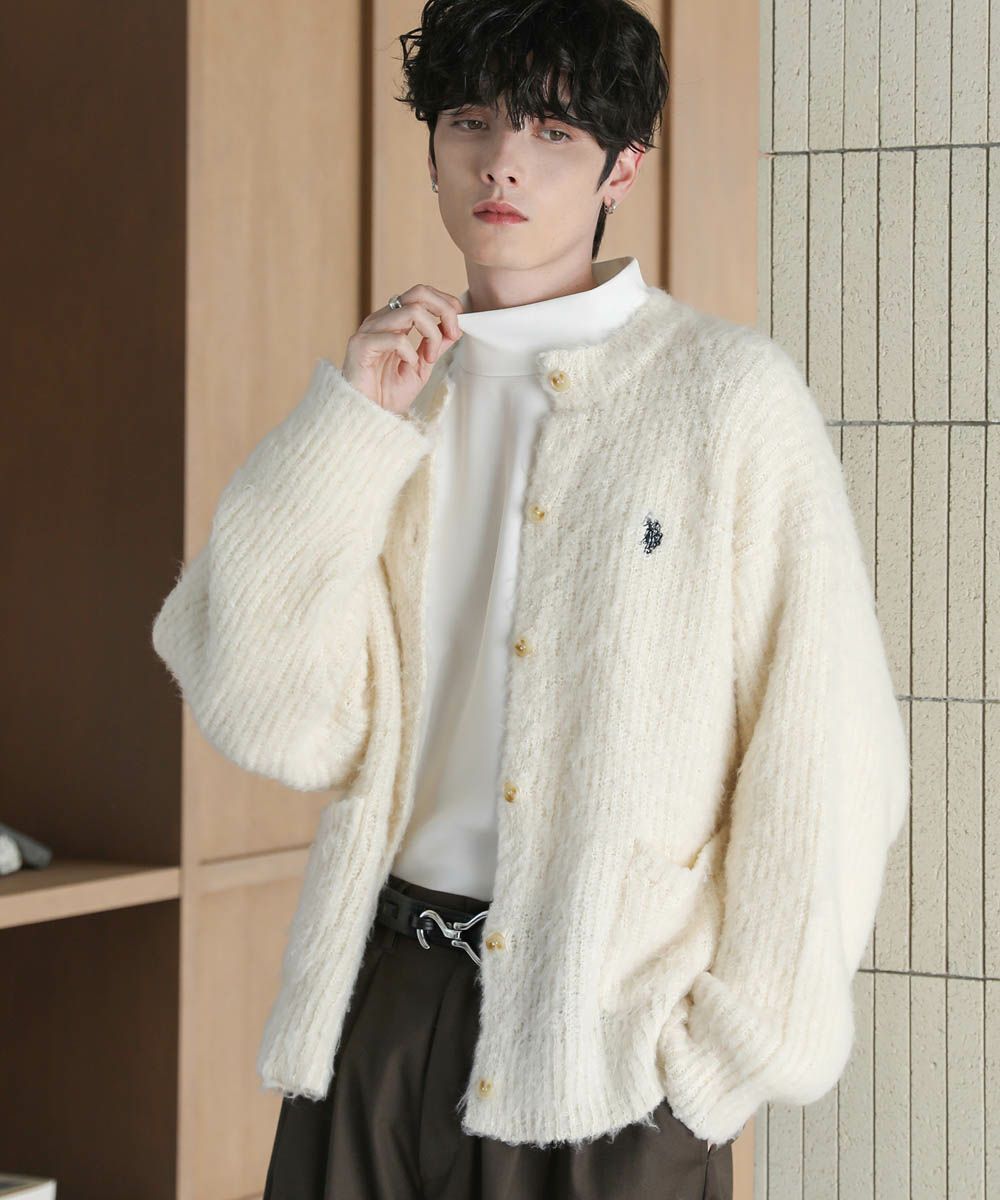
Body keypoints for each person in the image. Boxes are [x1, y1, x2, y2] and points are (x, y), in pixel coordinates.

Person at [150, 1, 910, 1197]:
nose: (501, 161)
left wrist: (722, 1065)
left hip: (607, 1060)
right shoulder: (401, 404)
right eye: (470, 121)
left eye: (551, 133)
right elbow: (266, 712)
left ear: (623, 167)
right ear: (435, 148)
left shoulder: (728, 399)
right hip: (377, 1012)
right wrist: (346, 426)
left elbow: (828, 753)